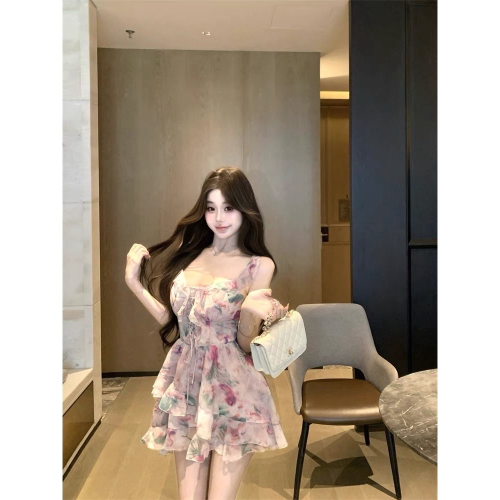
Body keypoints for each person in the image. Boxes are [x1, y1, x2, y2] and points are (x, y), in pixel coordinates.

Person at [124, 167, 289, 500]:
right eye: (211, 208)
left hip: (234, 390)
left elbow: (245, 344)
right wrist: (134, 284)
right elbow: (177, 322)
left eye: (228, 207)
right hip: (186, 388)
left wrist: (250, 312)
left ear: (245, 209)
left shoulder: (259, 265)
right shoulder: (189, 254)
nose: (219, 218)